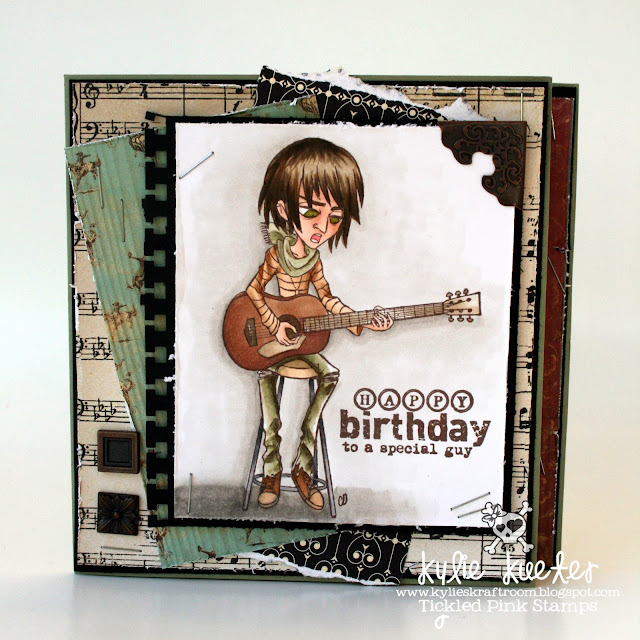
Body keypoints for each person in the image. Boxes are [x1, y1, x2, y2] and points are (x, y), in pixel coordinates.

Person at [246, 137, 393, 511]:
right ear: (284, 209)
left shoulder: (313, 260)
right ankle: (272, 470)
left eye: (335, 218)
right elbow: (253, 291)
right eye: (312, 212)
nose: (322, 226)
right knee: (268, 391)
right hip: (269, 345)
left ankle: (303, 465)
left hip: (301, 345)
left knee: (329, 375)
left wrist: (361, 320)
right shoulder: (276, 255)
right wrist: (274, 325)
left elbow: (326, 299)